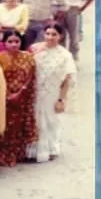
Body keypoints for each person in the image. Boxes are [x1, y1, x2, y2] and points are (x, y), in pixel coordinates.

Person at [26, 24, 76, 163]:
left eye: (54, 34)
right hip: (35, 90)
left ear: (60, 36)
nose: (50, 37)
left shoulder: (65, 55)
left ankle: (51, 149)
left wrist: (61, 99)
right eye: (47, 33)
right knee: (35, 119)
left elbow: (68, 78)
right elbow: (24, 65)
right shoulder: (35, 48)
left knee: (51, 121)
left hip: (52, 92)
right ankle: (32, 151)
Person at [0, 30, 38, 166]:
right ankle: (2, 155)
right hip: (4, 98)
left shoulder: (28, 57)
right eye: (10, 41)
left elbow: (31, 76)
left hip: (23, 97)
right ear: (4, 43)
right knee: (5, 125)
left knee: (19, 125)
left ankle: (18, 154)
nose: (14, 44)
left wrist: (20, 92)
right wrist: (7, 96)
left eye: (17, 41)